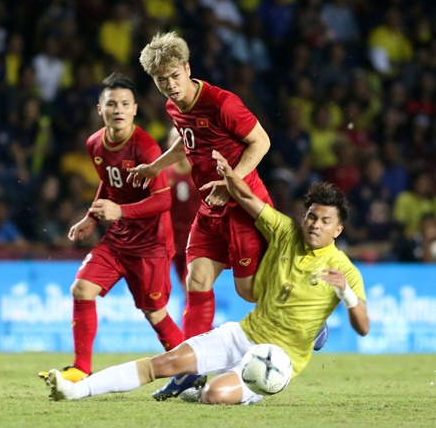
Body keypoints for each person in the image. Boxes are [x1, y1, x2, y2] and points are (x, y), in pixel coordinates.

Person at [46, 151, 369, 405]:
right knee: (166, 363)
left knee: (215, 394)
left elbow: (363, 327)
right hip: (242, 333)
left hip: (276, 359)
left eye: (325, 221)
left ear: (338, 229)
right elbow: (248, 199)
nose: (315, 224)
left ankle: (216, 388)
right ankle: (76, 390)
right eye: (311, 216)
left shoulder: (344, 270)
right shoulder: (286, 231)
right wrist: (229, 175)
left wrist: (347, 295)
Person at [127, 31, 273, 398]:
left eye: (174, 76)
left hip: (243, 206)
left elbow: (261, 142)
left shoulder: (222, 103)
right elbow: (186, 139)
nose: (170, 86)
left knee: (248, 292)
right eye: (161, 80)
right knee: (196, 279)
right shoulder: (173, 107)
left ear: (187, 68)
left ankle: (308, 316)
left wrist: (231, 182)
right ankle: (189, 370)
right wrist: (155, 166)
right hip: (212, 207)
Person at [38, 73, 183, 383]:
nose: (118, 110)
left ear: (135, 109)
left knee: (155, 313)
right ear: (99, 109)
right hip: (118, 239)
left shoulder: (145, 148)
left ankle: (190, 371)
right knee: (81, 289)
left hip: (151, 244)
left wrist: (120, 211)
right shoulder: (95, 144)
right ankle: (80, 369)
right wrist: (91, 217)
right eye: (112, 104)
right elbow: (109, 183)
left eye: (125, 104)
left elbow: (163, 200)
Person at [164, 126, 200, 289]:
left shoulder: (201, 172)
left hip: (197, 238)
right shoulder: (162, 174)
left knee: (192, 282)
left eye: (183, 140)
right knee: (182, 284)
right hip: (172, 239)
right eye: (175, 140)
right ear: (169, 143)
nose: (180, 144)